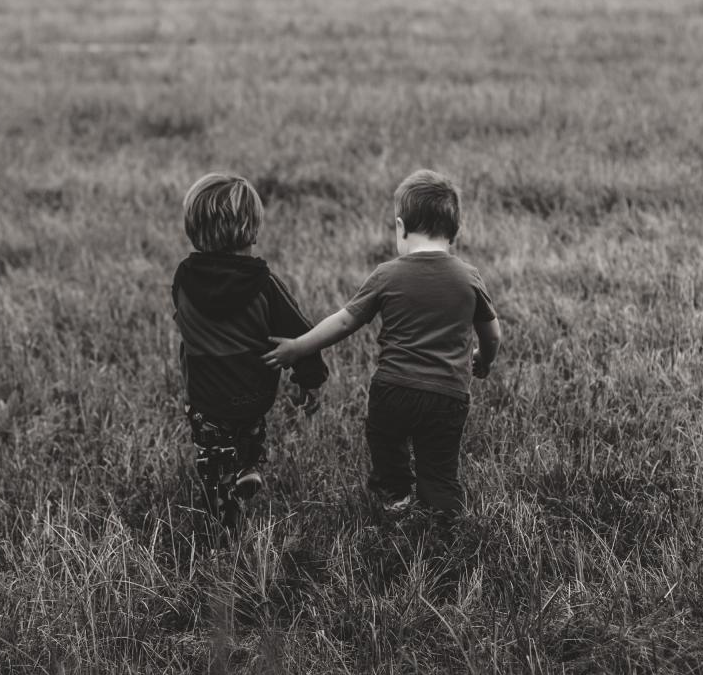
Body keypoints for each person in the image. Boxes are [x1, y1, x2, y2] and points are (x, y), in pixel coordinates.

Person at [263, 170, 500, 522]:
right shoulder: (468, 276)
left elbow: (344, 321)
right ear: (456, 232)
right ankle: (443, 512)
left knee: (386, 442)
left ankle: (396, 495)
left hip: (394, 390)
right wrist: (484, 359)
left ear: (401, 227)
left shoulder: (387, 274)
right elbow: (493, 333)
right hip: (448, 395)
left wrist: (298, 346)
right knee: (439, 463)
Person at [172, 173, 327, 524]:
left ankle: (224, 514)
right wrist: (310, 379)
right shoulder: (264, 284)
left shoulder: (183, 278)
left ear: (193, 229)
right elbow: (300, 333)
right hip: (253, 392)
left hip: (205, 397)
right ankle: (248, 465)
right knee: (249, 430)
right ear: (252, 231)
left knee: (213, 460)